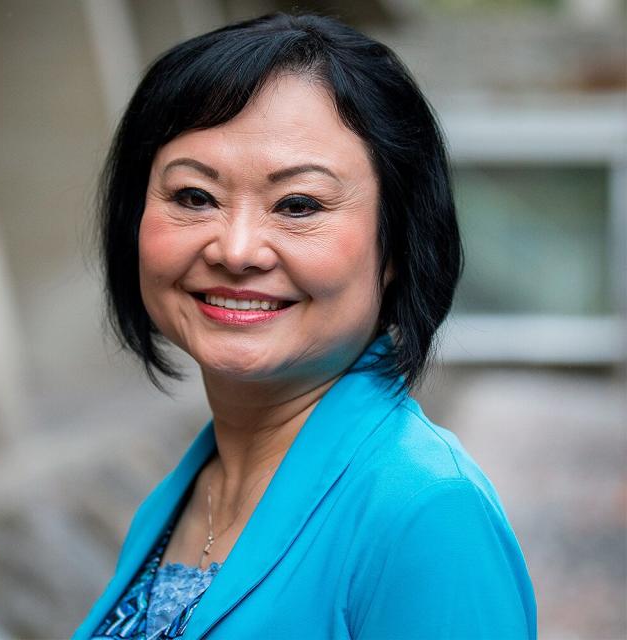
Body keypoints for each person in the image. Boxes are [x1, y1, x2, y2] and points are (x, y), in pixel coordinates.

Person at [73, 12, 536, 640]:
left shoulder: (426, 513)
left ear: (397, 243)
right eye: (193, 197)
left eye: (298, 205)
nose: (236, 250)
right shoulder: (182, 496)